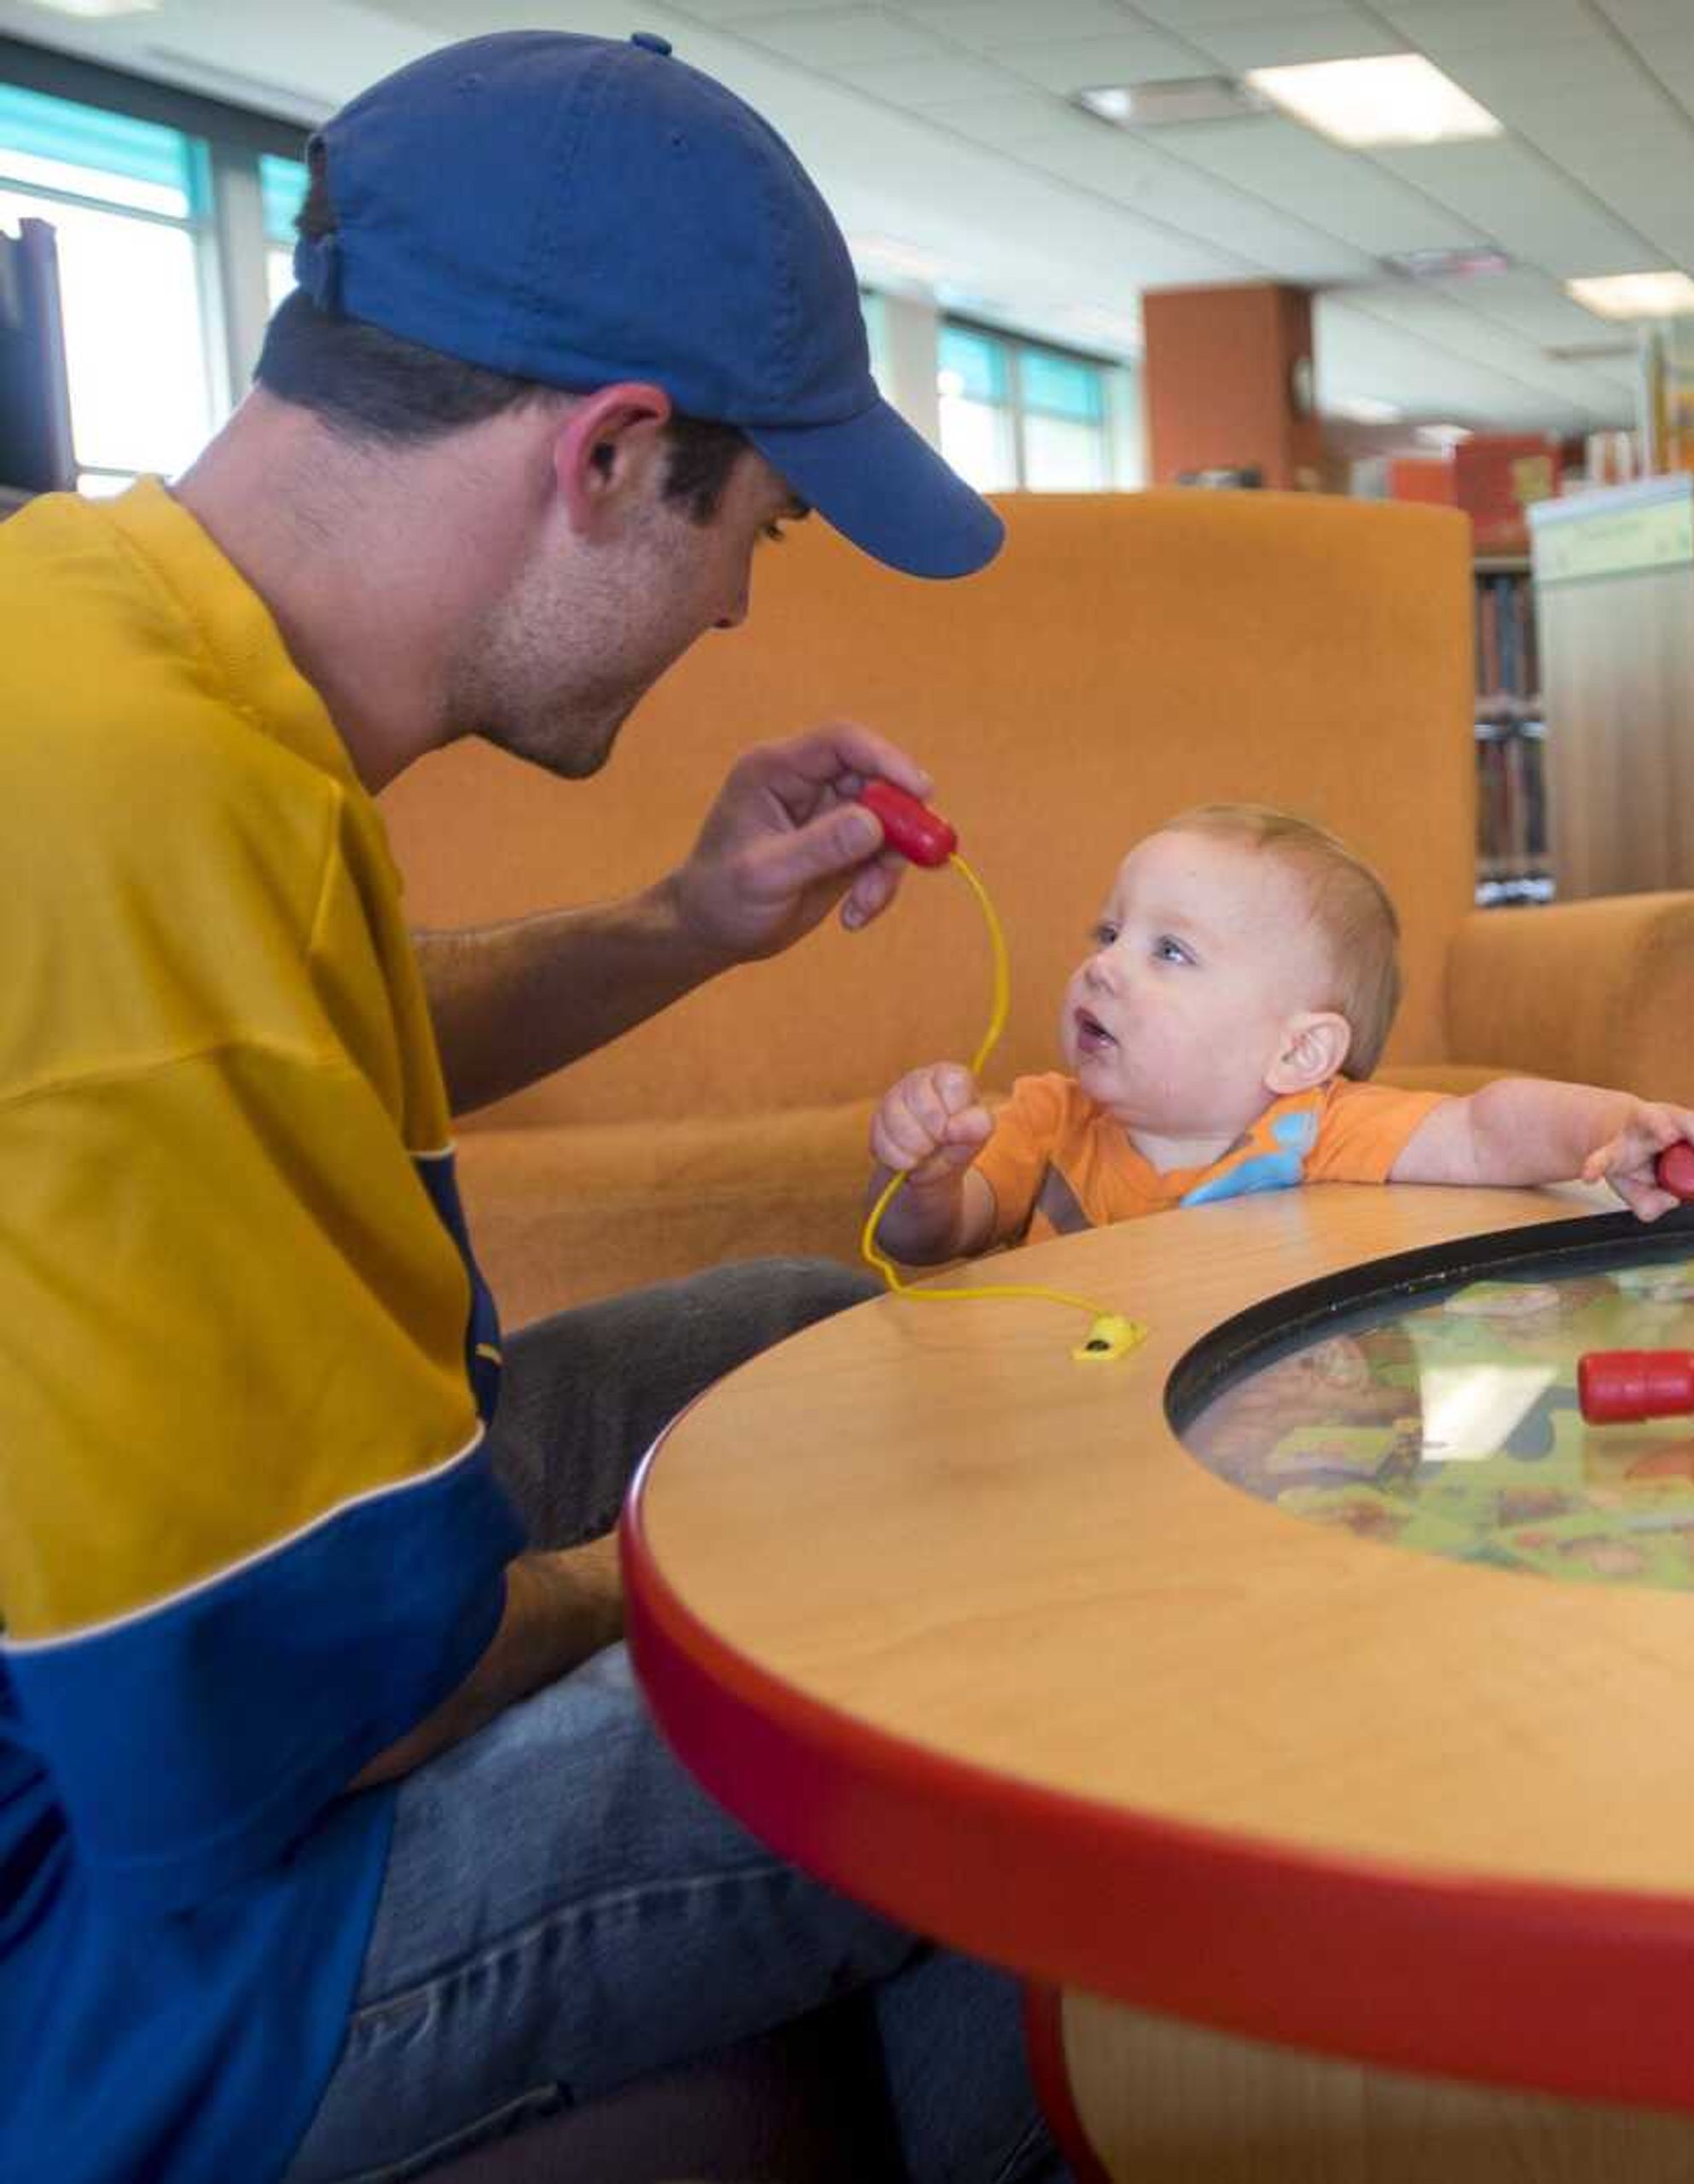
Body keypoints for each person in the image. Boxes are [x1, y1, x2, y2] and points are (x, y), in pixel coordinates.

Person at [0, 31, 1059, 2184]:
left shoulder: (111, 635)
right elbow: (312, 1713)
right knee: (998, 1674)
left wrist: (685, 921)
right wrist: (685, 1546)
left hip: (137, 1710)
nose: (744, 598)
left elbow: (288, 1041)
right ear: (607, 455)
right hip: (133, 1962)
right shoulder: (154, 805)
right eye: (751, 527)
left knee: (801, 1327)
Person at [867, 804, 1694, 1257]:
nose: (1105, 966)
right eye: (1108, 932)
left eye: (1169, 950)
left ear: (1299, 1052)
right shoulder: (1043, 1120)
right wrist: (928, 1177)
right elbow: (929, 1238)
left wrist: (1615, 1127)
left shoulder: (1318, 1125)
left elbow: (1486, 1127)